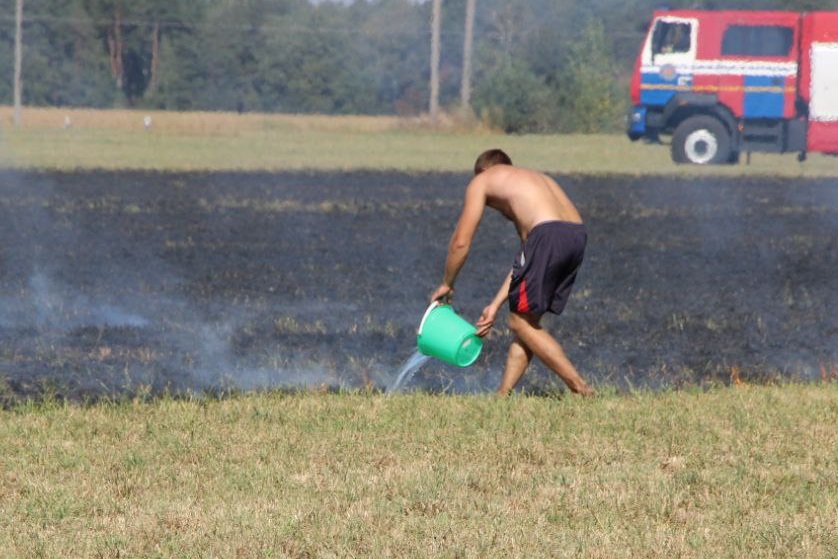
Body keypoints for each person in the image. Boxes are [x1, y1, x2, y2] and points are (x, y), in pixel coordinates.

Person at [430, 149, 594, 396]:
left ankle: (581, 388)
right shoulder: (536, 181)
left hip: (548, 235)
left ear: (485, 170)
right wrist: (495, 305)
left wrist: (447, 282)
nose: (494, 207)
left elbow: (460, 243)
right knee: (527, 323)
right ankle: (502, 396)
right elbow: (524, 263)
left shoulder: (482, 180)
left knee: (519, 324)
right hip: (575, 236)